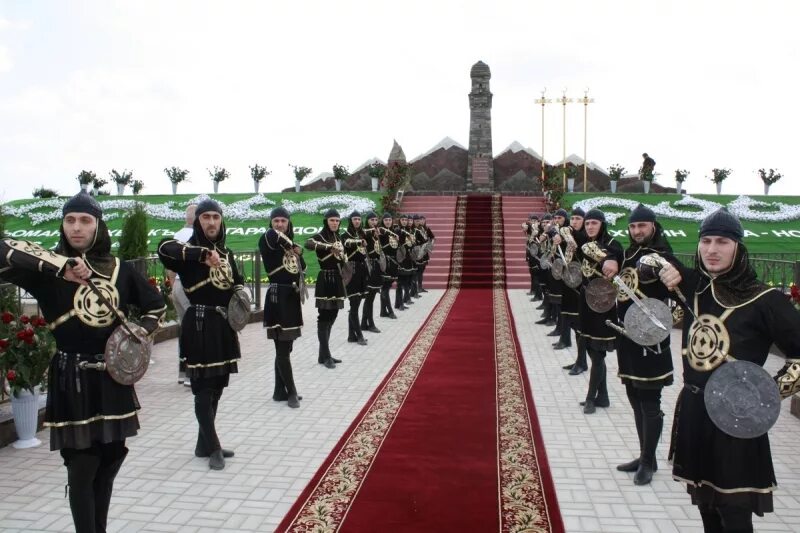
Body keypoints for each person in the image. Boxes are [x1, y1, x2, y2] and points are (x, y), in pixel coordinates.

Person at [0, 192, 166, 533]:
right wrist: (59, 266)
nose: (77, 227)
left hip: (113, 378)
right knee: (81, 467)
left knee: (110, 460)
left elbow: (155, 307)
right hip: (70, 376)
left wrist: (137, 335)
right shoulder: (47, 269)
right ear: (63, 224)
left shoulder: (120, 269)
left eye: (85, 220)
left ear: (98, 225)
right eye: (70, 220)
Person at [658, 208, 800, 532]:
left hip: (737, 421)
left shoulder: (765, 299)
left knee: (734, 514)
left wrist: (767, 394)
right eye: (705, 240)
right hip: (695, 413)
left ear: (738, 247)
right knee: (707, 507)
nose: (711, 250)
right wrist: (660, 268)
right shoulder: (695, 288)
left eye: (722, 241)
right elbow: (652, 260)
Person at [157, 198, 244, 470]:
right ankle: (214, 447)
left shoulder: (227, 253)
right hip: (199, 323)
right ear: (198, 222)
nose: (211, 222)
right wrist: (202, 255)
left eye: (215, 217)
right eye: (205, 217)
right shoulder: (188, 253)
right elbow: (162, 247)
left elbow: (237, 282)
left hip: (223, 325)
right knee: (203, 391)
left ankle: (202, 444)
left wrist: (243, 293)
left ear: (221, 221)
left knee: (217, 387)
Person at [613, 204, 675, 485]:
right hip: (628, 337)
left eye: (643, 226)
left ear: (653, 226)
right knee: (635, 397)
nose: (637, 231)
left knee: (650, 401)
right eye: (634, 226)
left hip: (652, 340)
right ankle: (643, 453)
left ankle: (649, 462)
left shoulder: (664, 256)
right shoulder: (628, 254)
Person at [258, 207, 306, 409]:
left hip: (292, 298)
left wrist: (297, 251)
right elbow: (272, 236)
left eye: (283, 221)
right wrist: (292, 244)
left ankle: (279, 390)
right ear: (271, 222)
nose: (279, 224)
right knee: (282, 347)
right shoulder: (268, 239)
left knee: (287, 346)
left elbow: (301, 267)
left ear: (289, 223)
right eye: (276, 220)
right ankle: (291, 392)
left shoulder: (290, 248)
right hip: (278, 297)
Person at [577, 208, 623, 414]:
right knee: (590, 349)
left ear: (603, 224)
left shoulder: (614, 246)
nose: (589, 227)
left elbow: (618, 268)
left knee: (598, 354)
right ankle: (602, 396)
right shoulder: (585, 245)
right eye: (587, 223)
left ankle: (590, 398)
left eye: (594, 223)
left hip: (604, 307)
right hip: (587, 303)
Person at [304, 209, 347, 368]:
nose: (335, 223)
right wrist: (329, 247)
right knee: (324, 316)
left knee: (333, 314)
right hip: (326, 278)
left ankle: (324, 355)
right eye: (332, 220)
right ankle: (326, 355)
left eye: (337, 220)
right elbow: (308, 244)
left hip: (337, 279)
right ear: (326, 221)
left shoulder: (339, 236)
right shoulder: (320, 236)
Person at [167, 203, 196, 386]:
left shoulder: (177, 236)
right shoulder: (195, 237)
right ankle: (190, 374)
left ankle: (182, 371)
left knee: (183, 329)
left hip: (177, 285)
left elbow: (169, 267)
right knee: (194, 329)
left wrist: (171, 287)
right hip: (189, 287)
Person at [556, 207, 586, 359]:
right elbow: (564, 234)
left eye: (578, 219)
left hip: (580, 285)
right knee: (570, 318)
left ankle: (582, 360)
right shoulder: (569, 233)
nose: (574, 222)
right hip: (569, 280)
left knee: (579, 324)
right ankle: (578, 359)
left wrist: (568, 237)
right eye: (573, 218)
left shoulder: (585, 237)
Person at [343, 211, 369, 345]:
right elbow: (347, 243)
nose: (357, 221)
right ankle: (359, 335)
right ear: (350, 220)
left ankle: (350, 335)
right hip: (351, 271)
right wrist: (360, 241)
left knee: (356, 304)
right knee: (354, 304)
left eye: (359, 219)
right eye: (355, 219)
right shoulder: (345, 235)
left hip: (361, 271)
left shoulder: (362, 234)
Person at [361, 212, 383, 333]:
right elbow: (363, 234)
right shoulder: (366, 232)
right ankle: (370, 323)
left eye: (375, 220)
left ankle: (365, 323)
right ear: (367, 221)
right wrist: (372, 231)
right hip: (369, 267)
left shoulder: (377, 234)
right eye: (371, 220)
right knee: (369, 297)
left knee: (372, 297)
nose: (374, 222)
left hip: (377, 266)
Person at [378, 213, 399, 319]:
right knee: (385, 288)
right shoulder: (381, 231)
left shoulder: (394, 232)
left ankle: (382, 311)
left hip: (393, 263)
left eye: (389, 220)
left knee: (387, 287)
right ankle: (390, 311)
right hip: (384, 262)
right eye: (386, 220)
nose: (388, 222)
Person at [523, 213, 543, 301]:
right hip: (530, 254)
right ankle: (533, 290)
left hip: (537, 255)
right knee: (532, 273)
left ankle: (538, 294)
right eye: (532, 221)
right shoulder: (530, 229)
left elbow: (538, 243)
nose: (533, 223)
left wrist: (533, 235)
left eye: (535, 221)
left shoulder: (540, 230)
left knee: (536, 274)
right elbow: (523, 225)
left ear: (538, 222)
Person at [417, 214, 435, 293]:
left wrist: (430, 245)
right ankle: (417, 287)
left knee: (422, 270)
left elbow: (432, 237)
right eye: (420, 220)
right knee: (418, 270)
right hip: (419, 251)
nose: (422, 221)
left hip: (425, 252)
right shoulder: (417, 229)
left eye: (423, 220)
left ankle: (420, 287)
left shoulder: (427, 229)